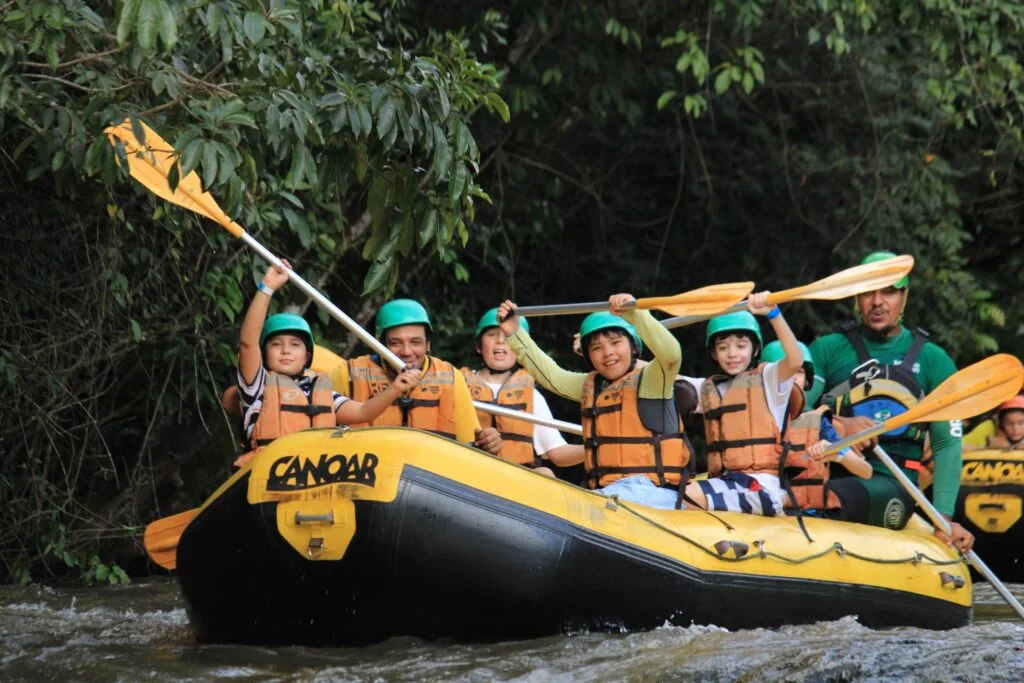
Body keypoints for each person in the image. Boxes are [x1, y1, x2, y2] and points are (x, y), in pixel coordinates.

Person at [805, 251, 973, 551]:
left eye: (889, 291)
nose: (877, 301)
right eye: (868, 291)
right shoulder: (827, 350)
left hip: (895, 483)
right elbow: (796, 411)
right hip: (829, 469)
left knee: (824, 497)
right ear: (857, 298)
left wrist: (943, 517)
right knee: (800, 492)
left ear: (904, 296)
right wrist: (840, 423)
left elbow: (947, 444)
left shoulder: (934, 361)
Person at [497, 295, 691, 509]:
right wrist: (514, 333)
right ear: (588, 356)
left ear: (634, 348)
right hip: (609, 493)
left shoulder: (653, 380)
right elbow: (552, 377)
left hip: (652, 492)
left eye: (616, 343)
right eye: (596, 348)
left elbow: (671, 354)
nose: (607, 352)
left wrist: (636, 314)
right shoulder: (591, 386)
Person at [234, 262, 421, 467]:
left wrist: (395, 389)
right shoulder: (256, 385)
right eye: (276, 344)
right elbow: (248, 342)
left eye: (294, 345)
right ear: (265, 353)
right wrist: (267, 287)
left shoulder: (321, 392)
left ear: (306, 357)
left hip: (313, 477)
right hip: (267, 474)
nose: (285, 350)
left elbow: (363, 412)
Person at [677, 295, 808, 516]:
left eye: (741, 345)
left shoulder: (769, 378)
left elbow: (795, 361)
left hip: (761, 488)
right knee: (671, 490)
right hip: (726, 482)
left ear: (755, 349)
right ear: (713, 353)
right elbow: (661, 373)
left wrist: (773, 314)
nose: (732, 354)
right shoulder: (708, 388)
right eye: (723, 347)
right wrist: (634, 320)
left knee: (683, 495)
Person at [347, 298, 503, 455]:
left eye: (416, 342)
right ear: (380, 345)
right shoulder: (350, 374)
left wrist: (487, 443)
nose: (406, 352)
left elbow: (471, 443)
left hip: (430, 473)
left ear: (428, 344)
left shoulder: (451, 377)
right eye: (395, 343)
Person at [460, 309, 584, 477]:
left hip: (514, 480)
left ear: (519, 350)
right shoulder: (459, 384)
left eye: (506, 335)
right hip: (467, 473)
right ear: (479, 346)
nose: (500, 341)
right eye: (492, 335)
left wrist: (596, 447)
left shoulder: (531, 396)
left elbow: (557, 453)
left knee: (545, 473)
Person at [761, 340, 873, 511]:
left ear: (807, 379)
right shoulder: (751, 417)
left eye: (798, 372)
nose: (791, 378)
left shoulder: (817, 421)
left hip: (804, 513)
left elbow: (866, 471)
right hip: (757, 508)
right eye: (783, 372)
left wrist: (837, 455)